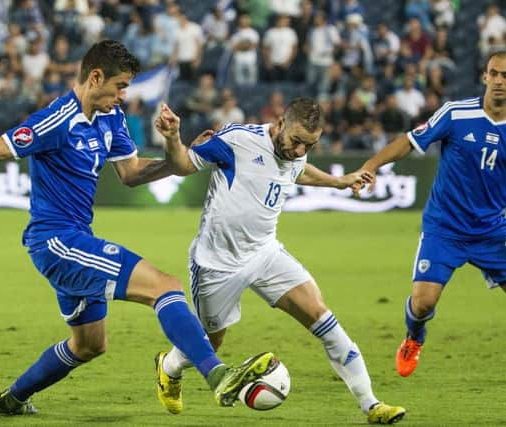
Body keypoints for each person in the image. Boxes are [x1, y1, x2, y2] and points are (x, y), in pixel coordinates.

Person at [0, 39, 274, 415]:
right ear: (95, 77)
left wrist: (177, 150)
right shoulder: (56, 119)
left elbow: (131, 174)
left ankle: (12, 400)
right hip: (54, 240)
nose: (123, 95)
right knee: (164, 286)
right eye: (119, 86)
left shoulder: (110, 118)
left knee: (88, 345)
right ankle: (219, 375)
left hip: (77, 239)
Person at [152, 99, 406, 424]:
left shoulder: (296, 152)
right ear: (280, 123)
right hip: (217, 263)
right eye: (297, 141)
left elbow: (299, 171)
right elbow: (183, 165)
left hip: (265, 253)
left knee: (322, 317)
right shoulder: (238, 141)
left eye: (310, 145)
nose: (300, 150)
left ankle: (371, 404)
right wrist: (173, 138)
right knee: (210, 341)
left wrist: (339, 181)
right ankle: (169, 368)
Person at [353, 50, 506, 378]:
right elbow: (410, 142)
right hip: (445, 228)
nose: (499, 82)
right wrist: (371, 165)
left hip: (494, 231)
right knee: (422, 303)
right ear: (484, 77)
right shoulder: (455, 113)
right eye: (494, 74)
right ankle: (414, 338)